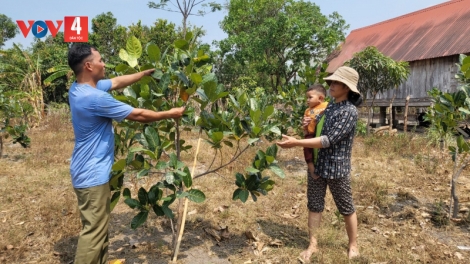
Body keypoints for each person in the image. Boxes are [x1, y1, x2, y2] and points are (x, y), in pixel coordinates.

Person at [67, 43, 185, 264]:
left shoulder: (78, 88)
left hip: (86, 170)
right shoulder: (95, 99)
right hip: (92, 174)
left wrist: (142, 74)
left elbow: (116, 82)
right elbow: (139, 115)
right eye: (100, 60)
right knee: (93, 232)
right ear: (89, 65)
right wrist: (171, 113)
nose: (105, 64)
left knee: (99, 228)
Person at [277, 66, 362, 262]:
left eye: (336, 83)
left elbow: (327, 140)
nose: (331, 85)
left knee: (346, 207)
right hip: (317, 165)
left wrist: (296, 142)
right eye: (331, 82)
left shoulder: (349, 112)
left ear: (347, 88)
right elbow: (316, 131)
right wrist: (307, 126)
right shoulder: (329, 107)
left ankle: (353, 245)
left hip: (336, 168)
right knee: (314, 205)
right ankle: (312, 244)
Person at [302, 84, 328, 180]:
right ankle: (311, 168)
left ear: (320, 98)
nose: (307, 100)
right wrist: (304, 126)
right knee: (307, 151)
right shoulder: (307, 110)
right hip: (310, 134)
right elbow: (305, 125)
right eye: (307, 98)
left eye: (310, 97)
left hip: (323, 134)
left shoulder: (327, 106)